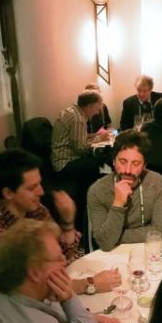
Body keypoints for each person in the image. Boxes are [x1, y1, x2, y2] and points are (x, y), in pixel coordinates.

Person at [0, 149, 119, 306]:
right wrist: (89, 284)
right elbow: (29, 292)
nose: (41, 192)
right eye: (31, 188)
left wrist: (68, 223)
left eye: (39, 184)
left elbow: (63, 256)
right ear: (8, 193)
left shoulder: (33, 210)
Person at [87, 130, 162, 251]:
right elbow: (104, 243)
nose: (128, 170)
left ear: (144, 165)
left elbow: (160, 231)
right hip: (113, 254)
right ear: (114, 161)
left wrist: (115, 237)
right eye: (123, 162)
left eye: (136, 163)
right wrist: (118, 204)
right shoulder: (97, 191)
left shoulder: (155, 181)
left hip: (146, 249)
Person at [51, 90, 110, 228]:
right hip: (65, 162)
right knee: (98, 163)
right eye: (97, 108)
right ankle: (90, 201)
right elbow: (81, 148)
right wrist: (98, 139)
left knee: (98, 161)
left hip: (58, 159)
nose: (97, 112)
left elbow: (76, 137)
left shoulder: (71, 112)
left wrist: (95, 135)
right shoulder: (78, 119)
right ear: (89, 106)